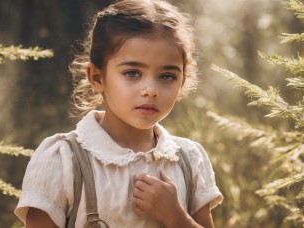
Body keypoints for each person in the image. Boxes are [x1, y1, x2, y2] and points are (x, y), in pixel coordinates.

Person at [15, 0, 223, 227]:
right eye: (132, 73)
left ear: (183, 80)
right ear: (96, 77)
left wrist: (176, 217)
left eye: (167, 76)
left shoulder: (189, 160)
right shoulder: (63, 160)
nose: (151, 91)